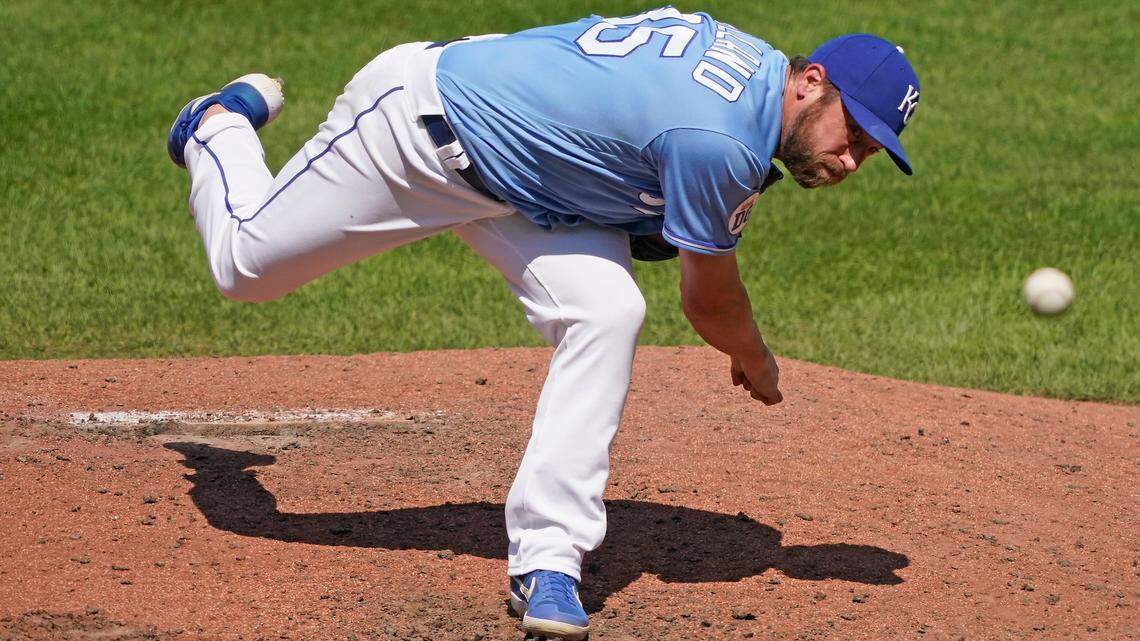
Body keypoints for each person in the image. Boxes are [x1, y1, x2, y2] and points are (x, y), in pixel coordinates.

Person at [166, 7, 920, 639]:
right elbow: (708, 301)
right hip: (417, 129)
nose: (851, 161)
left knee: (609, 308)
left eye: (869, 152)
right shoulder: (721, 140)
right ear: (812, 81)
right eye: (852, 134)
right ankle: (217, 125)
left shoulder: (750, 66)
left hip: (532, 182)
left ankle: (549, 561)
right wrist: (757, 359)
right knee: (244, 266)